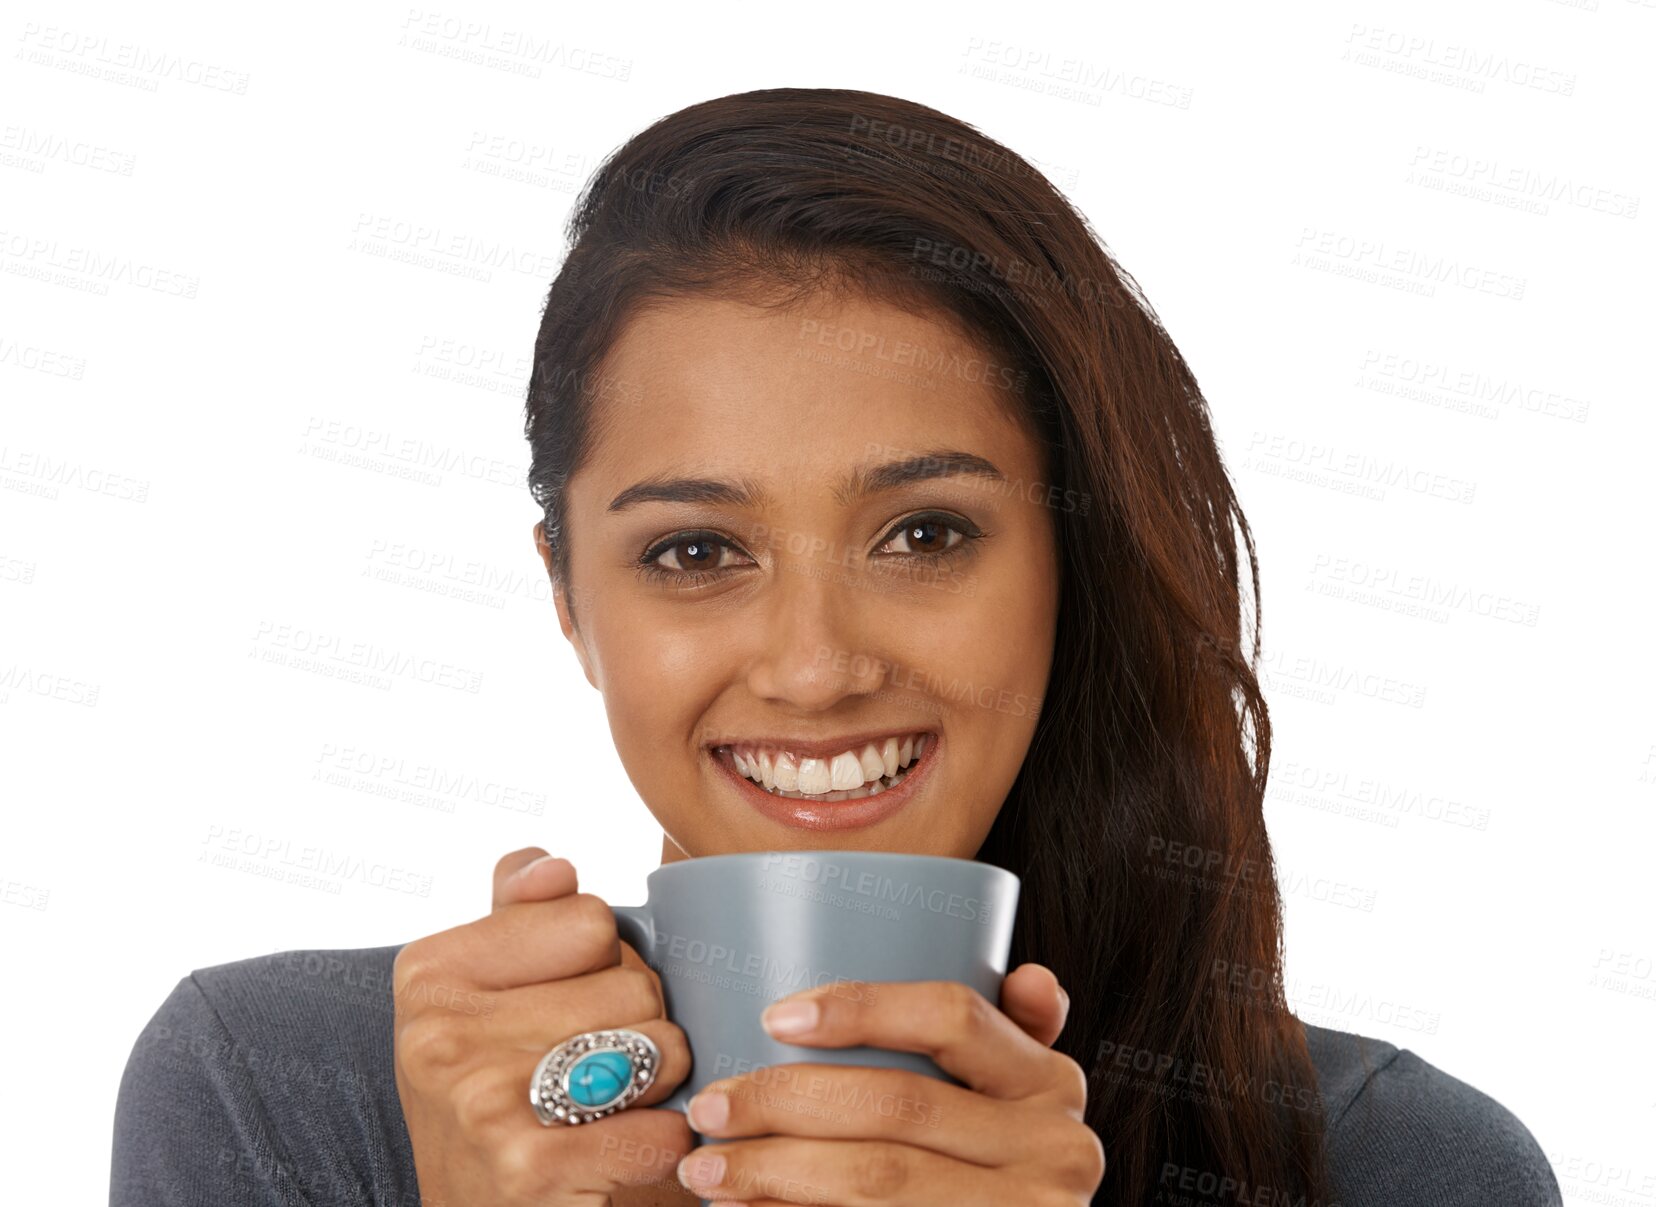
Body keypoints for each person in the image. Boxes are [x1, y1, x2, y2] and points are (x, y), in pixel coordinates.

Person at [110, 87, 1563, 1206]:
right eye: (695, 552)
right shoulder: (277, 1091)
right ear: (569, 596)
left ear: (1074, 561)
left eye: (925, 535)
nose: (814, 668)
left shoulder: (1403, 1165)